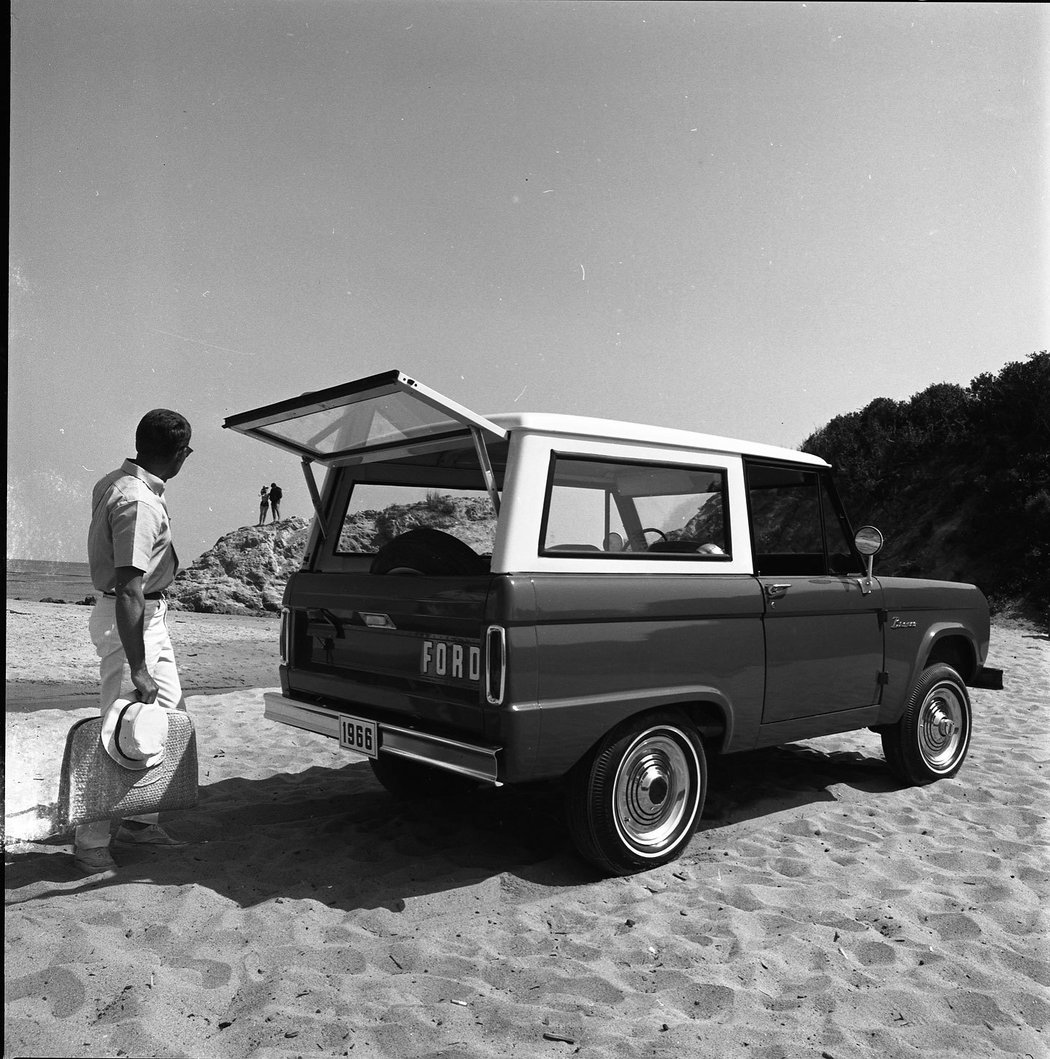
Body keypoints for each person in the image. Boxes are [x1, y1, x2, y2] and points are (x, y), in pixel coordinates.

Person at [75, 408, 195, 876]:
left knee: (168, 715)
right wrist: (139, 665)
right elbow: (128, 587)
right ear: (181, 454)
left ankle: (142, 822)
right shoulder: (139, 500)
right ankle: (90, 842)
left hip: (144, 615)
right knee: (117, 729)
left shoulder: (115, 481)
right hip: (132, 620)